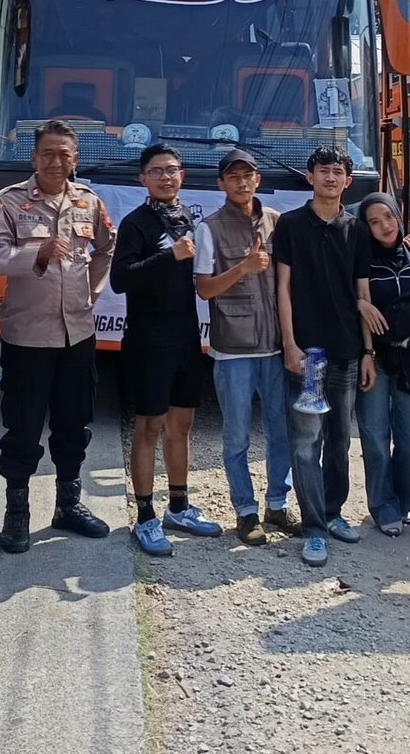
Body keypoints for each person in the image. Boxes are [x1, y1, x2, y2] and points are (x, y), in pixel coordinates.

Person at [0, 119, 117, 554]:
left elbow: (106, 248)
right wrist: (35, 252)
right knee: (22, 430)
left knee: (73, 425)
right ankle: (16, 513)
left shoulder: (88, 202)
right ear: (34, 157)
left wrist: (91, 293)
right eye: (48, 154)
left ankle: (68, 505)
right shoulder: (10, 201)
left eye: (64, 154)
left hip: (77, 335)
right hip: (27, 338)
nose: (56, 162)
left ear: (75, 159)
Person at [112, 144, 224, 555]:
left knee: (182, 425)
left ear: (182, 176)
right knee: (149, 427)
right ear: (142, 178)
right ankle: (145, 516)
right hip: (148, 341)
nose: (165, 177)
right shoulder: (135, 223)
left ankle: (178, 506)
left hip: (186, 338)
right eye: (156, 171)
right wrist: (167, 256)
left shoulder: (189, 220)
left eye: (172, 170)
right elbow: (120, 280)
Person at [273, 146, 383, 567]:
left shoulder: (356, 229)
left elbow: (362, 294)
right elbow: (283, 288)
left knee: (339, 440)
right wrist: (290, 343)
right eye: (323, 171)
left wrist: (368, 351)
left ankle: (334, 513)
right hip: (308, 355)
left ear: (348, 181)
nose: (331, 178)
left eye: (338, 172)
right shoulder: (290, 225)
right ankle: (314, 529)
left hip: (346, 351)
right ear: (310, 177)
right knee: (306, 443)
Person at [195, 148, 299, 547]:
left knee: (281, 432)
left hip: (274, 347)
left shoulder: (276, 222)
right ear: (221, 184)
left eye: (247, 175)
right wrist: (243, 268)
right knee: (237, 437)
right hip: (233, 351)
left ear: (257, 180)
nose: (242, 182)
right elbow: (204, 289)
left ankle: (277, 504)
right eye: (233, 177)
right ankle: (245, 511)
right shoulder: (210, 228)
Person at [355, 193, 410, 536]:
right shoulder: (361, 264)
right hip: (374, 360)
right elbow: (345, 300)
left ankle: (402, 499)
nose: (384, 226)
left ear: (398, 215)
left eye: (388, 217)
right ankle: (383, 506)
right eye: (374, 222)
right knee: (375, 439)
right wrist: (360, 307)